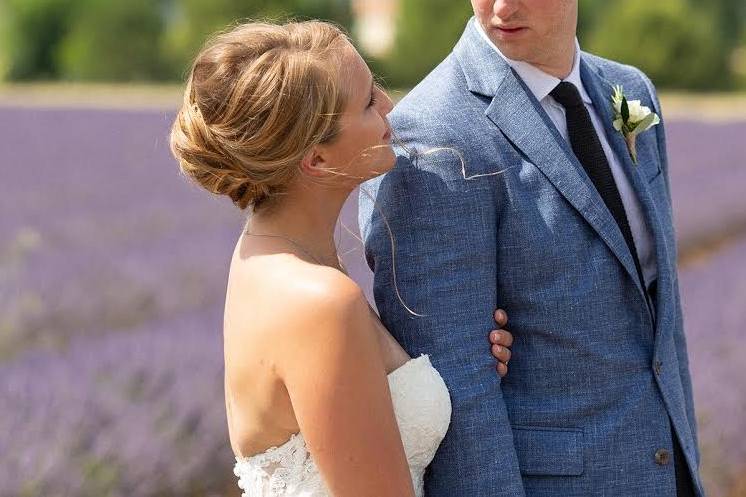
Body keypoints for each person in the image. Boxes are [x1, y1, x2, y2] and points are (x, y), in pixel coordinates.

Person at [359, 1, 703, 496]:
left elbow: (659, 312)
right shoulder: (432, 136)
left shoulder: (630, 91)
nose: (502, 6)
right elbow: (458, 391)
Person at [169, 20, 515, 496]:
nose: (390, 107)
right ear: (317, 158)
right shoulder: (319, 301)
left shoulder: (267, 257)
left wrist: (467, 357)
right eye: (369, 102)